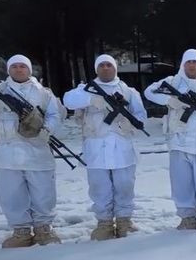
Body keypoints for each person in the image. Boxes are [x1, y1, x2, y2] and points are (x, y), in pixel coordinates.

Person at [0, 55, 64, 247]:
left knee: (43, 193)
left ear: (29, 70)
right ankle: (21, 232)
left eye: (22, 66)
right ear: (9, 70)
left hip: (37, 151)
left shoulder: (43, 93)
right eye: (14, 66)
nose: (18, 70)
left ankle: (44, 229)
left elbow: (55, 115)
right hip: (8, 153)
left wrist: (47, 130)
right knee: (11, 194)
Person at [63, 54, 147, 240]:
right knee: (99, 187)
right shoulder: (86, 90)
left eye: (109, 65)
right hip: (95, 148)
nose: (106, 68)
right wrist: (92, 99)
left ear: (115, 68)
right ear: (96, 69)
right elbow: (68, 100)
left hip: (122, 147)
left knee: (125, 185)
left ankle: (125, 221)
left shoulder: (129, 91)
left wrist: (128, 120)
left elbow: (141, 116)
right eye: (102, 65)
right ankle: (104, 223)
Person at [144, 49, 196, 230]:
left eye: (195, 62)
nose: (191, 65)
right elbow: (149, 92)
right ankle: (187, 217)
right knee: (181, 181)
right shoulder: (173, 81)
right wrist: (170, 101)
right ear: (183, 64)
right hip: (179, 140)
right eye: (188, 62)